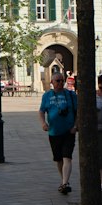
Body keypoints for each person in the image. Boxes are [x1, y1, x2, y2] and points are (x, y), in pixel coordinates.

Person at [39, 65, 77, 194]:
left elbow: (79, 112)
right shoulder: (47, 96)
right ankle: (63, 181)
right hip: (54, 132)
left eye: (62, 80)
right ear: (52, 82)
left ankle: (65, 182)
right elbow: (41, 111)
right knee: (59, 159)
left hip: (68, 131)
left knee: (67, 157)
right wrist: (43, 123)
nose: (60, 83)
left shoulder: (71, 95)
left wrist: (76, 126)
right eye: (57, 81)